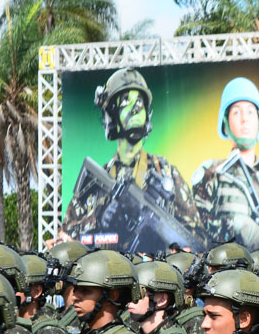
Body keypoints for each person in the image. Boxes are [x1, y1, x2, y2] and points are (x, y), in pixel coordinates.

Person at [62, 68, 203, 245]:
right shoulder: (96, 183)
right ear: (111, 116)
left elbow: (197, 238)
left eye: (139, 102)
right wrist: (98, 219)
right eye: (126, 101)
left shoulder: (167, 173)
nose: (135, 108)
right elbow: (66, 234)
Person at [193, 77, 259, 251]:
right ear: (225, 125)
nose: (244, 119)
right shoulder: (211, 174)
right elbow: (197, 234)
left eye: (250, 112)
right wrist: (235, 227)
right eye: (236, 112)